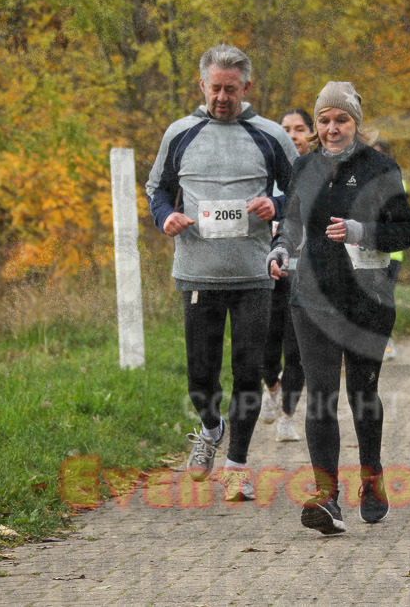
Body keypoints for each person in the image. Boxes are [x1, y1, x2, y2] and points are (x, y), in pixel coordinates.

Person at [145, 44, 297, 502]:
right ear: (201, 85)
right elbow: (157, 189)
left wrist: (279, 205)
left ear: (247, 87)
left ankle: (237, 465)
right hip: (197, 273)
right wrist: (164, 217)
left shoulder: (270, 135)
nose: (223, 98)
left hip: (254, 275)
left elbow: (304, 191)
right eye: (215, 89)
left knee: (247, 371)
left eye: (232, 89)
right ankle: (213, 427)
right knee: (200, 379)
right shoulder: (181, 134)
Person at [267, 82, 410, 535]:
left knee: (362, 395)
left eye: (341, 120)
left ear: (356, 122)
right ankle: (326, 496)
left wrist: (360, 230)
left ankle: (371, 479)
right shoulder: (305, 166)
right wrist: (278, 251)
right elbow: (291, 223)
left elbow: (406, 232)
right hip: (311, 297)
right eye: (325, 121)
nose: (332, 129)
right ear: (316, 125)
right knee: (321, 395)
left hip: (367, 299)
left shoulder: (379, 166)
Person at [260, 108, 315, 443]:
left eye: (299, 129)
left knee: (297, 351)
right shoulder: (265, 174)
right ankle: (273, 388)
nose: (293, 135)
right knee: (265, 348)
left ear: (310, 134)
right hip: (267, 272)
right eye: (286, 129)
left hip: (307, 274)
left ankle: (287, 416)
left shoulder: (320, 172)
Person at [372, 139, 404, 361]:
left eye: (379, 154)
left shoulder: (395, 180)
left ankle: (387, 340)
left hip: (391, 252)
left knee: (384, 295)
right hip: (363, 251)